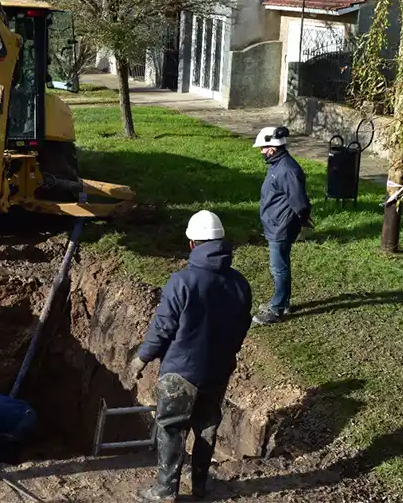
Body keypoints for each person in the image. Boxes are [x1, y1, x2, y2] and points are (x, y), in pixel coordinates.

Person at [129, 210, 253, 502]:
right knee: (207, 428)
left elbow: (163, 327)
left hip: (181, 371)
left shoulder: (182, 281)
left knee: (171, 428)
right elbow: (241, 327)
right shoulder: (239, 283)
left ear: (192, 244)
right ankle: (200, 486)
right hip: (217, 371)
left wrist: (142, 357)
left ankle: (165, 490)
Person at [251, 126, 312, 325]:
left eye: (263, 148)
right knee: (279, 265)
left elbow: (299, 201)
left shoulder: (287, 170)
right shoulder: (278, 165)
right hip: (275, 223)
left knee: (279, 268)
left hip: (281, 226)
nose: (261, 151)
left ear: (272, 148)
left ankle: (277, 309)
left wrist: (302, 219)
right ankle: (282, 302)